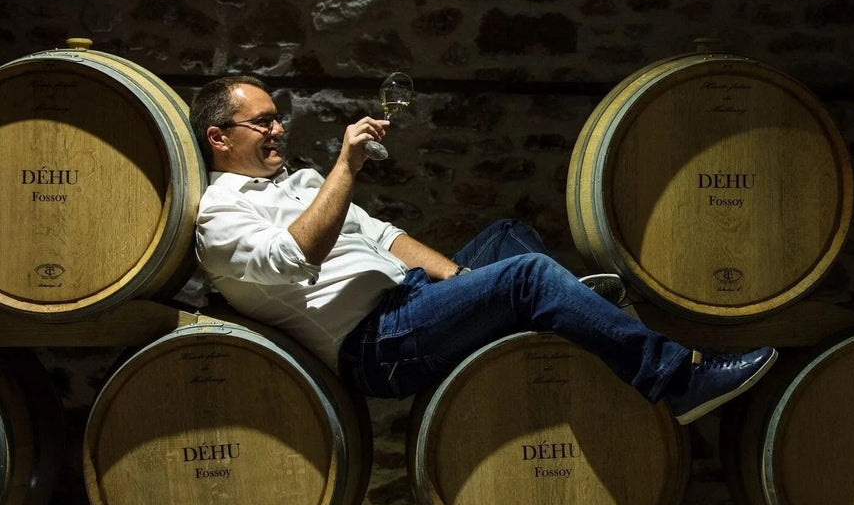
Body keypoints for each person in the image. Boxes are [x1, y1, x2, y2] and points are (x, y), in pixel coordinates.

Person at [189, 75, 777, 425]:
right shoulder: (221, 218)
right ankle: (676, 380)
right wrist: (347, 163)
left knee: (504, 236)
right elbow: (298, 257)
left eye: (276, 120)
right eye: (262, 124)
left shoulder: (296, 183)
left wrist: (462, 280)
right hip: (373, 345)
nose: (278, 131)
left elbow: (382, 235)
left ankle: (569, 311)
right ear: (220, 137)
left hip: (406, 300)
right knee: (524, 275)